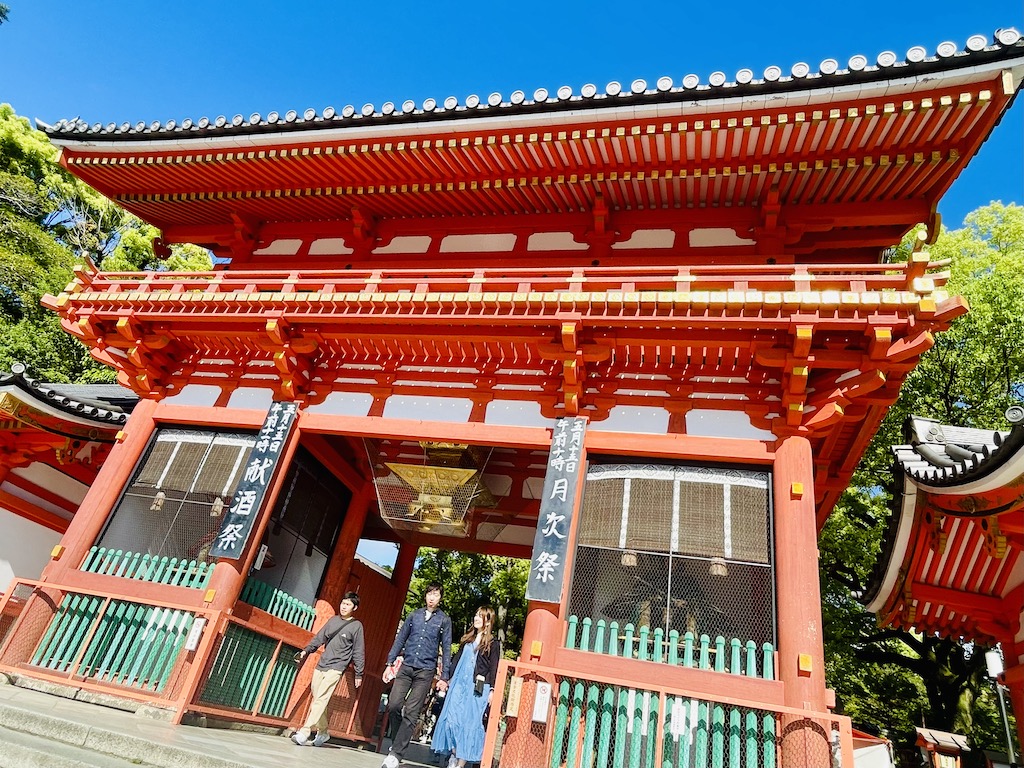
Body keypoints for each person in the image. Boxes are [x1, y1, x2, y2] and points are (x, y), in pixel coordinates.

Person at [380, 583, 452, 768]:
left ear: (440, 598)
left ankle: (396, 753)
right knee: (394, 704)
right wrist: (390, 663)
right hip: (406, 666)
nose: (432, 597)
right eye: (429, 593)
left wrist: (444, 677)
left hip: (426, 670)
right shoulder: (414, 615)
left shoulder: (444, 620)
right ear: (425, 595)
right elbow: (400, 639)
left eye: (436, 595)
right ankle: (398, 741)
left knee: (411, 712)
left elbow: (446, 647)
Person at [291, 591, 364, 747]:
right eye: (343, 603)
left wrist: (359, 673)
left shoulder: (356, 626)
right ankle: (323, 732)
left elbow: (359, 650)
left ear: (354, 607)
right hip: (322, 664)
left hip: (337, 667)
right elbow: (319, 638)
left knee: (321, 699)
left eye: (348, 604)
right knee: (318, 699)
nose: (344, 607)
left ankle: (304, 732)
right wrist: (306, 650)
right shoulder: (332, 621)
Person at [432, 606, 501, 768]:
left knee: (470, 723)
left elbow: (494, 668)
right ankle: (455, 753)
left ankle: (460, 763)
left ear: (488, 621)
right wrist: (445, 679)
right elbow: (455, 662)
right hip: (459, 685)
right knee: (451, 720)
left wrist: (492, 690)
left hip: (478, 688)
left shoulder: (493, 643)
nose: (476, 618)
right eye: (476, 615)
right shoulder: (467, 640)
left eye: (480, 616)